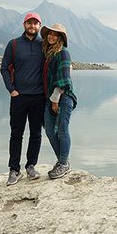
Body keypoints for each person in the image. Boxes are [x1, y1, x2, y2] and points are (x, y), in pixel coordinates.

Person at [0, 12, 45, 186]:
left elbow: (55, 61)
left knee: (36, 133)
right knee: (16, 134)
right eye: (29, 23)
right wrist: (11, 90)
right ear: (24, 24)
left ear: (39, 26)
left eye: (35, 23)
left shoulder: (44, 45)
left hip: (38, 97)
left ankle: (31, 166)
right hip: (18, 97)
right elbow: (4, 68)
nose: (32, 26)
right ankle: (14, 170)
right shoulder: (14, 44)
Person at [41, 23, 77, 179]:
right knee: (49, 130)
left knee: (62, 130)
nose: (51, 36)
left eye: (55, 34)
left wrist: (55, 99)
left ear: (60, 38)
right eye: (50, 33)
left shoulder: (63, 53)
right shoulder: (49, 54)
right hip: (51, 98)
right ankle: (62, 161)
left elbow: (63, 80)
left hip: (63, 98)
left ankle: (63, 163)